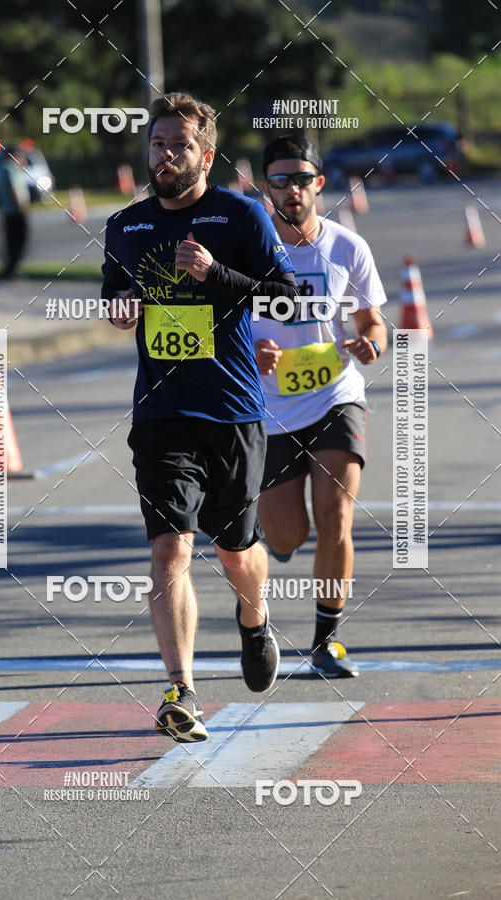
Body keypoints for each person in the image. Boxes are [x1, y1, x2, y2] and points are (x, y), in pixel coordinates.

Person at [102, 93, 301, 742]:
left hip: (234, 412)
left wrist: (217, 275)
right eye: (157, 143)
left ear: (206, 154)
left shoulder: (240, 216)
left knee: (237, 549)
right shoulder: (124, 227)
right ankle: (181, 690)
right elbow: (115, 295)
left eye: (179, 144)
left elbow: (287, 300)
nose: (165, 154)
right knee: (169, 548)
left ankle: (254, 615)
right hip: (161, 414)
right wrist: (121, 308)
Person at [252, 135, 388, 677]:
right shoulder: (250, 249)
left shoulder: (346, 247)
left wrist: (370, 344)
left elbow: (372, 321)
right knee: (288, 536)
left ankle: (325, 642)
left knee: (336, 518)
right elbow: (219, 320)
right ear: (266, 187)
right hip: (269, 406)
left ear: (318, 185)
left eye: (301, 179)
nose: (291, 190)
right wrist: (249, 347)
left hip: (337, 396)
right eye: (280, 180)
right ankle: (269, 538)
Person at [0, 146, 30, 278]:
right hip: (15, 210)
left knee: (11, 242)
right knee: (17, 241)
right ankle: (12, 270)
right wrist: (20, 205)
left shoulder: (5, 168)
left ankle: (11, 269)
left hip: (7, 210)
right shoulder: (9, 168)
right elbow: (14, 188)